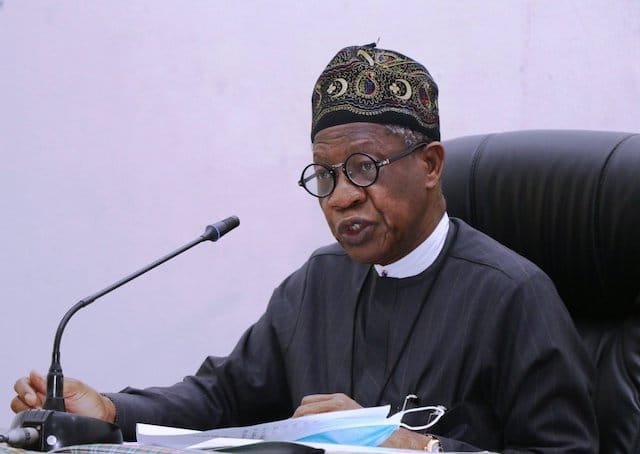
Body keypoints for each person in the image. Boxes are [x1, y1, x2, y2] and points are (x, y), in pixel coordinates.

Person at [11, 44, 598, 452]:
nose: (341, 197)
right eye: (325, 175)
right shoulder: (320, 281)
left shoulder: (514, 296)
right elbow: (222, 397)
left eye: (364, 167)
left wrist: (420, 448)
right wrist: (113, 411)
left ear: (430, 165)